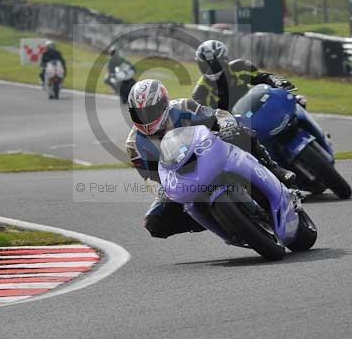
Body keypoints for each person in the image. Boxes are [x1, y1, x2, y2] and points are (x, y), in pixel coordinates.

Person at [124, 79, 301, 239]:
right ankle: (212, 219)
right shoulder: (133, 145)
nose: (145, 119)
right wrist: (165, 193)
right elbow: (150, 179)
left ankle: (274, 169)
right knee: (154, 224)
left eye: (150, 111)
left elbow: (217, 115)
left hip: (208, 150)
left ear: (163, 103)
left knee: (240, 129)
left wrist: (227, 126)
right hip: (180, 178)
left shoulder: (182, 107)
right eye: (139, 114)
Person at [192, 40, 304, 111]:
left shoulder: (239, 67)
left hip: (256, 108)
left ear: (224, 59)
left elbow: (263, 77)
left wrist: (278, 81)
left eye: (214, 64)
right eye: (205, 65)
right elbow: (203, 116)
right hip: (231, 127)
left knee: (298, 102)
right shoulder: (200, 91)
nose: (210, 69)